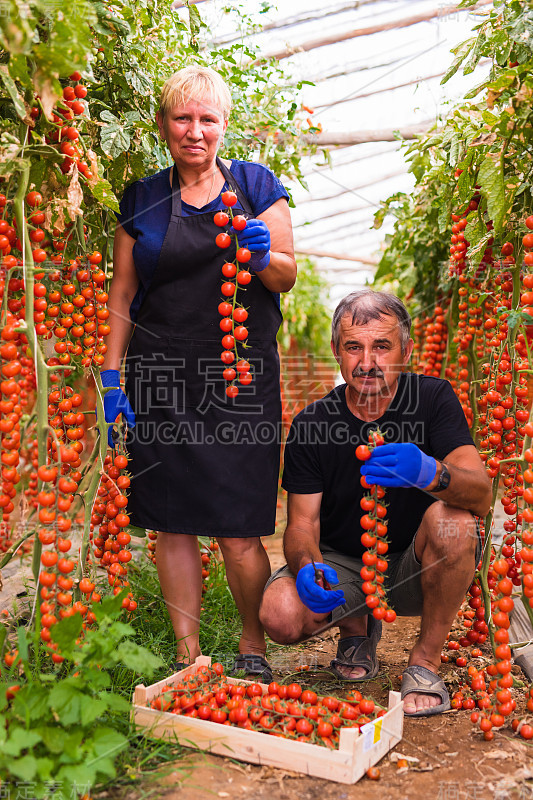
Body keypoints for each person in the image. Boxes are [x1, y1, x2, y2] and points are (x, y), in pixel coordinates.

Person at [100, 65, 296, 682]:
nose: (195, 131)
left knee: (239, 528)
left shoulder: (257, 186)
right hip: (160, 378)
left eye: (207, 119)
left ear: (223, 125)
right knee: (172, 520)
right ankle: (190, 658)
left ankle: (251, 643)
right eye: (183, 118)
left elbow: (286, 275)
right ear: (163, 126)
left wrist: (265, 256)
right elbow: (123, 293)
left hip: (237, 379)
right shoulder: (141, 198)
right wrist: (110, 379)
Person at [259, 289, 491, 716]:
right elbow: (301, 526)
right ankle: (356, 629)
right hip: (343, 565)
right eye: (354, 347)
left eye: (382, 346)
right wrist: (306, 566)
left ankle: (424, 661)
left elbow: (481, 493)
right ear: (336, 352)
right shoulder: (313, 423)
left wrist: (431, 473)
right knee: (279, 613)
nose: (367, 362)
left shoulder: (434, 400)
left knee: (455, 521)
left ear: (406, 350)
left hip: (416, 566)